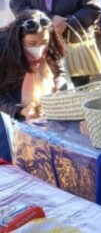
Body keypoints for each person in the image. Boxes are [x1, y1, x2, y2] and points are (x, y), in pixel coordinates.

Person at [0, 10, 67, 161]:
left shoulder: (51, 47)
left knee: (48, 144)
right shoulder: (3, 50)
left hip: (39, 96)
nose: (39, 49)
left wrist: (57, 87)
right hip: (7, 96)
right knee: (9, 146)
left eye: (44, 42)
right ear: (18, 39)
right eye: (32, 44)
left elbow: (59, 72)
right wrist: (19, 110)